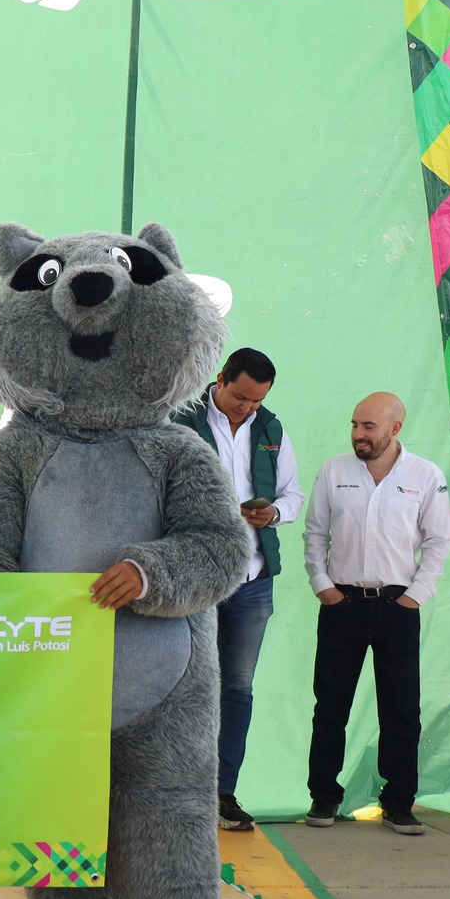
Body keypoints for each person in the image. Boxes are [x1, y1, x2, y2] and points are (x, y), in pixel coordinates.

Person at [303, 392, 450, 836]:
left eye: (368, 427)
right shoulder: (334, 470)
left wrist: (415, 597)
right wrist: (323, 586)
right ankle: (323, 797)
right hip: (342, 605)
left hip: (397, 607)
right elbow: (315, 533)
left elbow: (439, 541)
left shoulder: (425, 475)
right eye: (355, 424)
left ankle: (399, 802)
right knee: (330, 706)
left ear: (394, 428)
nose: (358, 434)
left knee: (401, 709)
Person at [173, 349, 303, 832]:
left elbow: (294, 495)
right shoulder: (181, 420)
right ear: (220, 379)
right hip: (196, 579)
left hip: (252, 579)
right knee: (183, 686)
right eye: (240, 397)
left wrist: (273, 513)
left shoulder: (270, 428)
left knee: (237, 688)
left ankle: (222, 793)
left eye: (256, 401)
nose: (246, 408)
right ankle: (178, 792)